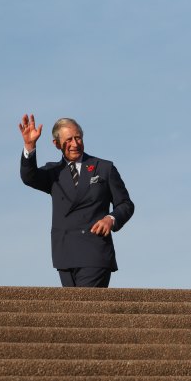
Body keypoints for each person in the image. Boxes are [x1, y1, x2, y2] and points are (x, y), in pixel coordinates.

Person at [19, 114, 134, 287]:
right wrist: (30, 145)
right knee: (74, 312)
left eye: (78, 138)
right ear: (57, 144)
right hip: (64, 253)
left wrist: (110, 219)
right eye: (68, 140)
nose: (75, 144)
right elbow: (29, 177)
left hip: (95, 251)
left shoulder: (103, 168)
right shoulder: (53, 172)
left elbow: (126, 204)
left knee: (87, 309)